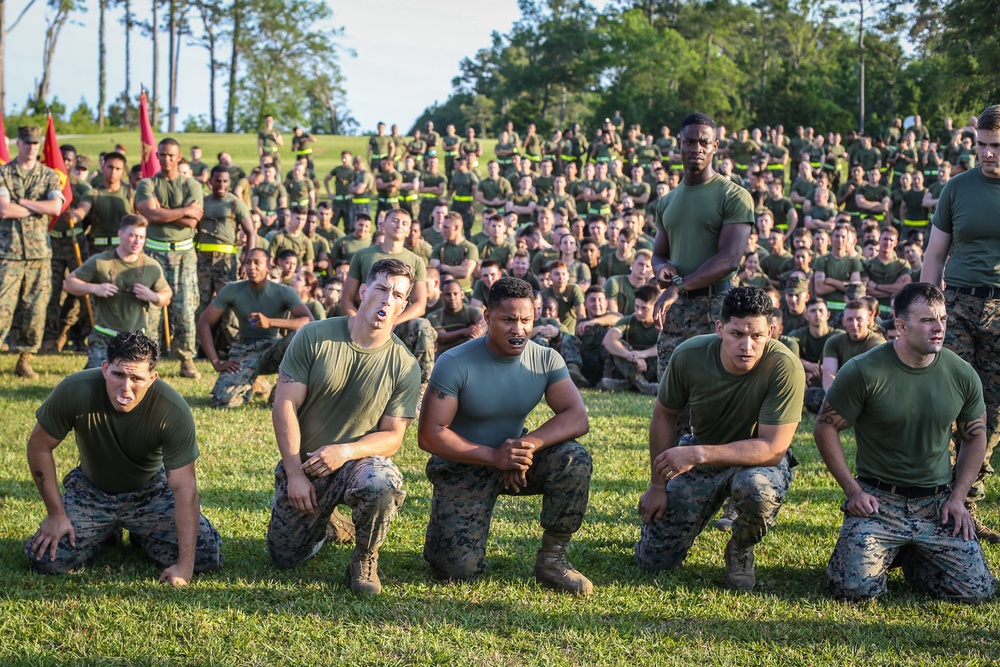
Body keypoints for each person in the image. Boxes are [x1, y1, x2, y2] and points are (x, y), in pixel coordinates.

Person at [814, 283, 996, 602]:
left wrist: (958, 497)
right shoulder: (863, 371)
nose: (938, 327)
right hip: (879, 501)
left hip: (936, 503)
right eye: (927, 320)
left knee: (976, 591)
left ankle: (912, 556)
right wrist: (854, 492)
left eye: (942, 318)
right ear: (900, 325)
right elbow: (825, 428)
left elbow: (975, 435)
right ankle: (888, 548)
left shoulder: (961, 373)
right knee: (854, 591)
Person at [419, 277, 593, 594]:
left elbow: (577, 416)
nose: (519, 329)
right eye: (508, 320)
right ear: (487, 317)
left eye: (526, 320)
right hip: (463, 464)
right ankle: (443, 541)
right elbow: (430, 435)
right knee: (456, 570)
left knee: (574, 459)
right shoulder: (455, 362)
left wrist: (523, 447)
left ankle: (553, 560)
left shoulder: (545, 358)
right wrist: (494, 457)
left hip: (515, 456)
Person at [267, 258, 421, 595]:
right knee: (285, 557)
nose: (386, 299)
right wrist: (294, 473)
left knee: (381, 484)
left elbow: (393, 436)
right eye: (381, 288)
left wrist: (346, 451)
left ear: (403, 305)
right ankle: (331, 524)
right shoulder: (314, 336)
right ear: (364, 290)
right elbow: (285, 405)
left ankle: (364, 559)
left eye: (396, 294)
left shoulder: (405, 365)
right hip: (308, 464)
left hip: (358, 462)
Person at [635, 286, 805, 590]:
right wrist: (657, 486)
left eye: (757, 336)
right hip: (703, 450)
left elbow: (773, 448)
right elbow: (664, 414)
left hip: (756, 462)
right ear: (719, 329)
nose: (747, 346)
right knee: (653, 562)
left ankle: (740, 548)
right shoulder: (689, 355)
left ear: (772, 333)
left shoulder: (784, 365)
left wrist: (698, 455)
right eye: (737, 334)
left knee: (757, 489)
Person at [25, 330, 222, 584]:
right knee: (45, 559)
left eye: (136, 378)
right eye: (118, 374)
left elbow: (185, 489)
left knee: (206, 557)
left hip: (149, 492)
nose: (125, 388)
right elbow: (39, 446)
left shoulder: (172, 410)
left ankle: (141, 534)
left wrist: (184, 566)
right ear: (105, 368)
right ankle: (107, 533)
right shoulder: (75, 390)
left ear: (153, 378)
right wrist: (56, 515)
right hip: (91, 490)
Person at [922, 103, 1000, 543]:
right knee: (952, 405)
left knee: (992, 415)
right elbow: (935, 255)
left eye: (996, 147)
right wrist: (925, 309)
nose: (987, 154)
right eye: (982, 145)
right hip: (961, 306)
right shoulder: (957, 188)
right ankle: (938, 501)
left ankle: (965, 502)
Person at [197, 248, 313, 407]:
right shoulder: (232, 290)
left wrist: (270, 322)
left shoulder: (284, 292)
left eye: (257, 263)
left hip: (273, 348)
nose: (252, 267)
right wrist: (216, 362)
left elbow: (308, 321)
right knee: (223, 401)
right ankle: (255, 383)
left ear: (268, 266)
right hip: (245, 350)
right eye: (248, 262)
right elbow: (204, 323)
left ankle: (282, 390)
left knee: (300, 336)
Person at [134, 138, 204, 379]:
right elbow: (149, 213)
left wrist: (162, 212)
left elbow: (193, 222)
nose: (166, 159)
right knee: (150, 309)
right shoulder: (147, 183)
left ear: (179, 156)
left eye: (171, 155)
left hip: (184, 255)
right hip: (153, 253)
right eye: (162, 154)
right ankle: (147, 361)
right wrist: (184, 210)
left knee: (185, 310)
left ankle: (186, 360)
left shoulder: (191, 186)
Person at [341, 208, 437, 384]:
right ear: (383, 224)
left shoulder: (416, 261)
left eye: (405, 223)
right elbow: (347, 297)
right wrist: (358, 320)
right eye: (395, 220)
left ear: (409, 231)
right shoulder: (363, 255)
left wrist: (392, 322)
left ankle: (422, 387)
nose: (399, 225)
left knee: (423, 326)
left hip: (396, 323)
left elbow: (420, 304)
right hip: (364, 321)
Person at [64, 214, 172, 369]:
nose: (137, 242)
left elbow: (166, 295)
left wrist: (153, 296)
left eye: (141, 237)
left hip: (134, 339)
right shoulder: (101, 261)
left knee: (132, 381)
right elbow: (69, 283)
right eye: (133, 236)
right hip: (104, 335)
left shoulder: (151, 266)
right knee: (97, 376)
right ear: (120, 234)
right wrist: (95, 288)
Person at [0, 126, 66, 378]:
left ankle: (25, 358)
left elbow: (56, 208)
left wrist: (23, 203)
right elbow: (4, 210)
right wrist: (39, 207)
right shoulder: (4, 173)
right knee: (2, 307)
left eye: (35, 143)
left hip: (39, 254)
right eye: (27, 142)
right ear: (18, 142)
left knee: (35, 309)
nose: (31, 147)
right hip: (8, 253)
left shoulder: (49, 175)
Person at [599, 283, 661, 394]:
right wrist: (631, 355)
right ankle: (642, 385)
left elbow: (667, 345)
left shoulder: (662, 324)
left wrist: (643, 354)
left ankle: (627, 385)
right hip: (629, 368)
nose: (639, 312)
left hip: (650, 368)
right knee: (619, 345)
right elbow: (608, 341)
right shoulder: (629, 321)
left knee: (664, 349)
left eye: (644, 308)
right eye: (637, 307)